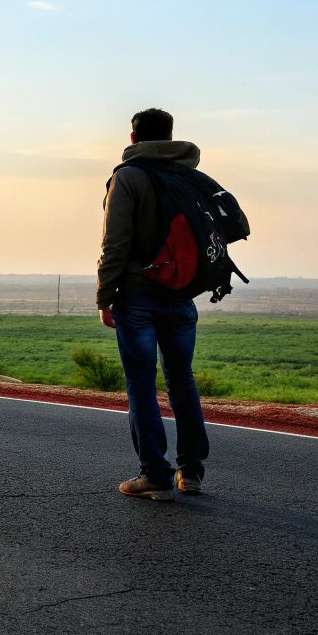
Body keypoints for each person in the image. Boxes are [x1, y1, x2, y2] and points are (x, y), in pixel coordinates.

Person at [97, 107, 212, 502]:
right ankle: (192, 472)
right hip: (181, 297)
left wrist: (105, 297)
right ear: (170, 136)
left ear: (133, 140)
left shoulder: (127, 178)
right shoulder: (190, 177)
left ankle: (156, 475)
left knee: (141, 385)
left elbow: (115, 245)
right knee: (182, 380)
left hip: (138, 297)